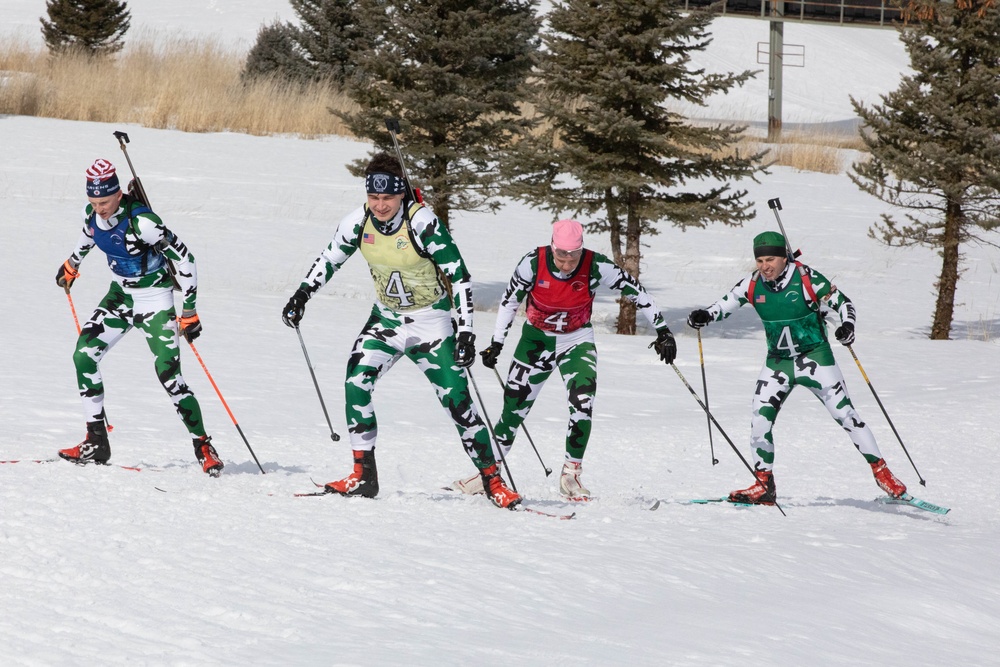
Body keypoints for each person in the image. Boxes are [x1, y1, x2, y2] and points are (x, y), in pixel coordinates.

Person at [281, 152, 521, 509]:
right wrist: (302, 294)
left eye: (387, 198)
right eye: (374, 198)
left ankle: (492, 481)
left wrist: (467, 331)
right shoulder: (358, 222)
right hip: (386, 321)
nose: (380, 205)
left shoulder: (421, 222)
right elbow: (330, 258)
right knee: (356, 382)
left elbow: (459, 275)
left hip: (432, 324)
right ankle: (363, 476)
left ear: (402, 195)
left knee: (458, 403)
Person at [452, 218, 677, 500]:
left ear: (581, 250)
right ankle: (488, 473)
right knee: (513, 410)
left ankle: (571, 475)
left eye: (573, 257)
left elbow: (637, 292)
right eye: (561, 256)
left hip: (576, 340)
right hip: (536, 341)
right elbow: (510, 300)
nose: (567, 264)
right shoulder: (532, 263)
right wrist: (497, 343)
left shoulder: (596, 265)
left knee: (583, 403)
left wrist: (663, 331)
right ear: (553, 247)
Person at [686, 230, 907, 504]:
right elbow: (723, 306)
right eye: (760, 261)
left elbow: (843, 303)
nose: (765, 266)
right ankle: (763, 484)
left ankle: (882, 472)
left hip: (815, 358)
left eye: (771, 260)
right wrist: (704, 315)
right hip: (777, 362)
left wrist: (847, 326)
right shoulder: (752, 284)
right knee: (759, 420)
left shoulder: (805, 278)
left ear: (784, 258)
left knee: (846, 415)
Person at [55, 159, 223, 476]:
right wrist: (72, 263)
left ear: (118, 194)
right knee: (83, 355)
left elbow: (186, 260)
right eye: (93, 202)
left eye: (104, 201)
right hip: (120, 295)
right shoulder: (92, 215)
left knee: (168, 373)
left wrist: (189, 310)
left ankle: (203, 445)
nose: (100, 208)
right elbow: (89, 235)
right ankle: (96, 442)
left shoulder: (144, 223)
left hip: (155, 297)